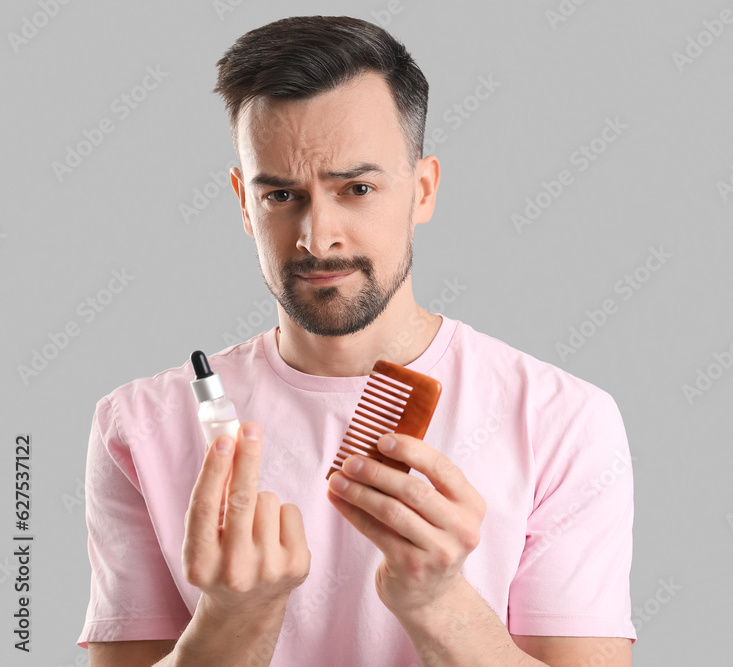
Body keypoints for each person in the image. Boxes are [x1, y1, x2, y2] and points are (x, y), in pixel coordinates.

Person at [78, 15, 635, 666]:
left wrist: (439, 601)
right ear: (241, 202)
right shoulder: (139, 426)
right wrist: (235, 620)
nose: (319, 236)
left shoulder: (560, 420)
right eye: (282, 194)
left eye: (358, 188)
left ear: (422, 189)